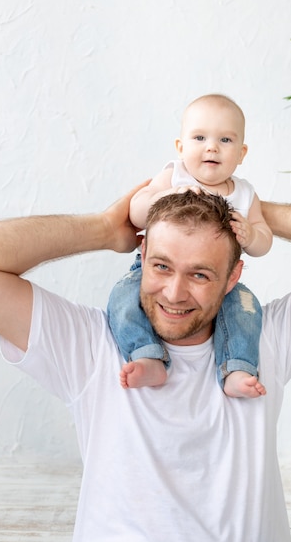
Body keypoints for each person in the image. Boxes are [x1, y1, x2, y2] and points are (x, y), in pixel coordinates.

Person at [0, 185, 291, 542]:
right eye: (161, 266)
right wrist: (101, 229)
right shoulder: (89, 344)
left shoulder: (265, 337)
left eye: (200, 274)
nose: (174, 292)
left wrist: (254, 210)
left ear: (232, 278)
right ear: (141, 254)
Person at [108, 93, 273, 397]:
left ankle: (237, 368)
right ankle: (147, 354)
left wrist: (251, 234)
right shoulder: (175, 174)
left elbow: (264, 240)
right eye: (199, 137)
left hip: (217, 282)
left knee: (245, 311)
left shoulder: (246, 194)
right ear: (181, 147)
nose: (211, 146)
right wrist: (164, 196)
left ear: (242, 153)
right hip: (152, 270)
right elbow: (136, 210)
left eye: (225, 140)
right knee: (122, 297)